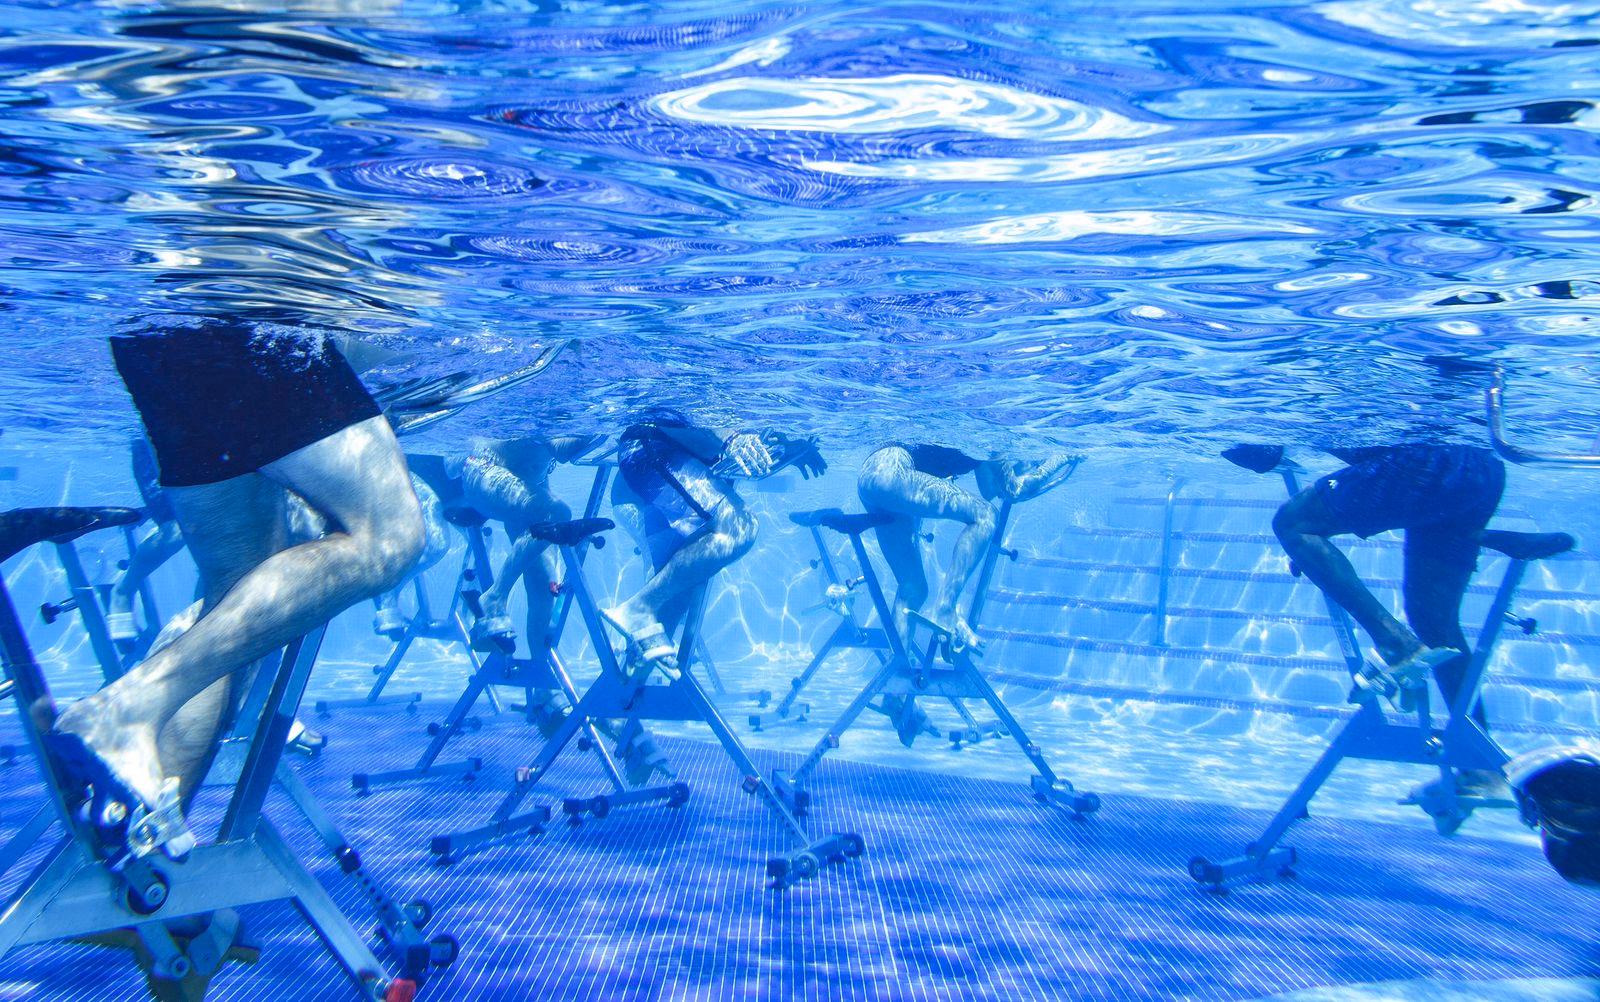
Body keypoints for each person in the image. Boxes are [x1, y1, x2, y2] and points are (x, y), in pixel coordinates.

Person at [45, 315, 425, 866]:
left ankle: (142, 846)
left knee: (231, 612)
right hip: (251, 321)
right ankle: (126, 710)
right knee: (391, 537)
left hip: (150, 331)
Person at [1264, 443, 1507, 794]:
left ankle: (1394, 642)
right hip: (1484, 469)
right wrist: (1317, 558)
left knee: (1293, 524)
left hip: (1430, 463)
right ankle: (1483, 769)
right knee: (1435, 622)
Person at [603, 409, 824, 679]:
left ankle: (623, 702)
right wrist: (730, 438)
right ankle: (638, 608)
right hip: (653, 454)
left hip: (659, 466)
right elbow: (694, 404)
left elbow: (748, 426)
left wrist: (790, 449)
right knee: (739, 528)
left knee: (675, 591)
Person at [857, 443, 1078, 655]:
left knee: (913, 588)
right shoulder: (993, 432)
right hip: (893, 474)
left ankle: (896, 680)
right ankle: (945, 609)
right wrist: (1060, 458)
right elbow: (1014, 490)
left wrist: (1019, 467)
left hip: (871, 476)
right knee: (986, 515)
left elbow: (990, 490)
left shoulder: (980, 439)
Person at [454, 432, 603, 657]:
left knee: (544, 588)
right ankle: (495, 596)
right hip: (486, 471)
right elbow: (562, 448)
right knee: (558, 511)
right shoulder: (543, 400)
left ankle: (539, 673)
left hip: (527, 485)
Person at [105, 436, 187, 649]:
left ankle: (200, 627)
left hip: (202, 448)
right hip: (154, 446)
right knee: (175, 532)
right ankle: (123, 590)